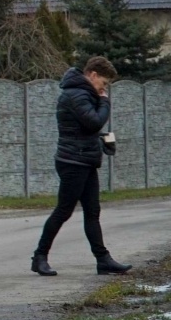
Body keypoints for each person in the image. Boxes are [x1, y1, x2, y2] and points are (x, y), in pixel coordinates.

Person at [31, 56, 132, 277]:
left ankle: (103, 260)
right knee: (63, 211)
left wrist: (101, 140)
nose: (103, 89)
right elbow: (94, 121)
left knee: (92, 211)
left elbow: (87, 128)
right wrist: (105, 101)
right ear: (93, 75)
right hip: (72, 161)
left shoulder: (82, 93)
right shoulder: (76, 94)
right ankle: (39, 257)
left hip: (84, 159)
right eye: (103, 84)